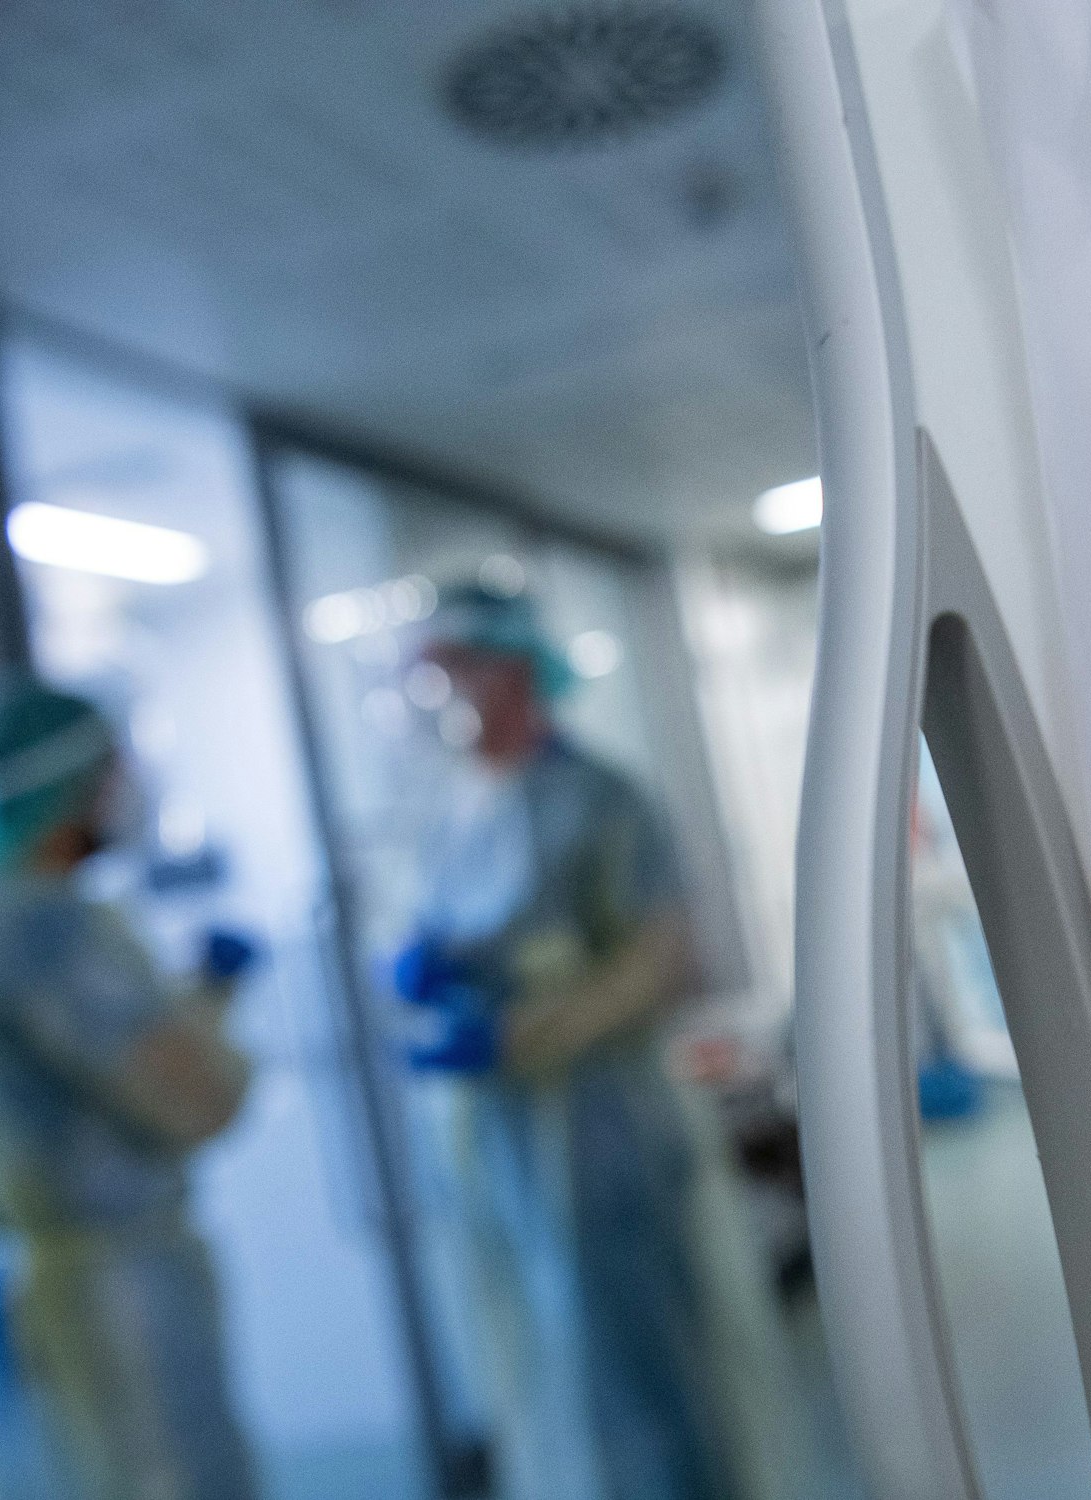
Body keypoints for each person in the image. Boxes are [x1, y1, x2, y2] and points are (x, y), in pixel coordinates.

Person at [395, 584, 752, 1500]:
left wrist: (521, 1030)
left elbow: (658, 962)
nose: (435, 696)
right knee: (533, 1364)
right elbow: (466, 930)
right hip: (495, 1134)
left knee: (635, 1365)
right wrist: (430, 968)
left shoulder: (602, 800)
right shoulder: (454, 806)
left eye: (452, 671)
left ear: (510, 671)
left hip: (601, 1130)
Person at [0, 679, 258, 1500]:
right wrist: (223, 1041)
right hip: (109, 1300)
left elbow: (90, 1063)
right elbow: (192, 1098)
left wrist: (199, 1000)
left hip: (30, 1284)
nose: (126, 796)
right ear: (72, 790)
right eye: (112, 776)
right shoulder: (35, 922)